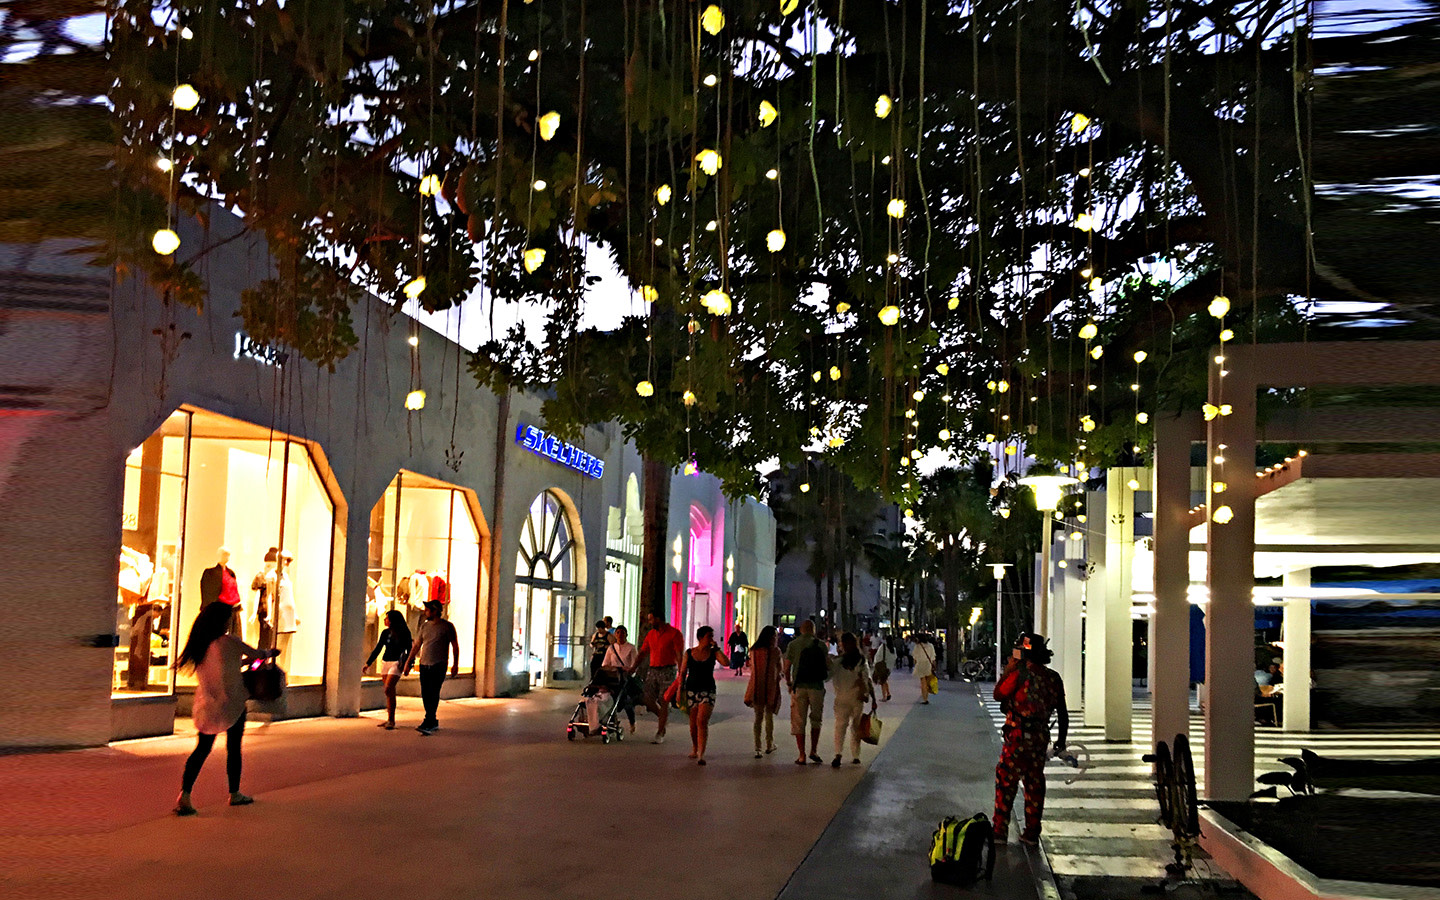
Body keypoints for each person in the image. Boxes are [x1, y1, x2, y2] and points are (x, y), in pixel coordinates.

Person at [172, 601, 275, 815]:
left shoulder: (200, 645)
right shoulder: (230, 642)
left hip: (207, 704)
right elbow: (257, 655)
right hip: (233, 702)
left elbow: (221, 665)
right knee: (233, 748)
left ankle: (186, 794)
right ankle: (235, 793)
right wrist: (268, 653)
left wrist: (242, 664)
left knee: (202, 750)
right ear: (223, 621)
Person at [993, 632, 1069, 846]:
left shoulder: (1019, 674)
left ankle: (999, 831)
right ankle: (1031, 833)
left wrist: (1009, 669)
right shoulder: (1053, 678)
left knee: (1006, 780)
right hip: (1039, 739)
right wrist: (1060, 742)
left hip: (1016, 738)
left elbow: (998, 694)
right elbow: (1062, 713)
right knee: (1034, 782)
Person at [403, 600, 459, 735]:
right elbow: (417, 645)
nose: (425, 612)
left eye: (427, 610)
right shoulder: (424, 626)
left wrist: (455, 664)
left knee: (433, 692)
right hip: (424, 664)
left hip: (438, 664)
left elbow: (454, 645)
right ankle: (431, 719)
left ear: (435, 611)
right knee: (425, 693)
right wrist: (408, 662)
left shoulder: (447, 626)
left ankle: (429, 719)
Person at [677, 626, 729, 765]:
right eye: (709, 636)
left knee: (702, 721)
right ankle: (695, 747)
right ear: (700, 638)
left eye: (712, 636)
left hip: (708, 690)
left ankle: (701, 754)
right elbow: (682, 673)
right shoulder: (689, 652)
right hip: (691, 689)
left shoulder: (713, 653)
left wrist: (717, 648)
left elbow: (726, 662)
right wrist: (679, 690)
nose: (711, 639)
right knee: (693, 723)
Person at [783, 619, 830, 764]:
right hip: (816, 686)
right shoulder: (821, 645)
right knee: (816, 720)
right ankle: (813, 750)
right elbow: (827, 666)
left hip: (800, 686)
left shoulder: (793, 645)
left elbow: (786, 668)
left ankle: (802, 754)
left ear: (801, 630)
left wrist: (789, 682)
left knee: (799, 720)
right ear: (813, 630)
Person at [637, 611, 685, 744]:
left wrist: (681, 673)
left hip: (667, 670)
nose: (650, 622)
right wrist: (633, 667)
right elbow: (643, 652)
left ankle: (660, 731)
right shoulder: (651, 634)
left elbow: (679, 654)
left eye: (651, 619)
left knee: (664, 700)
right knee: (646, 698)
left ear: (659, 619)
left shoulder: (674, 634)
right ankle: (662, 718)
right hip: (653, 670)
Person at [831, 632, 877, 768]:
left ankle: (838, 754)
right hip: (857, 698)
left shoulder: (838, 662)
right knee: (856, 727)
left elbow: (828, 676)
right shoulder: (861, 660)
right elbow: (868, 680)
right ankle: (856, 755)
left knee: (840, 726)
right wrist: (873, 699)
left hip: (841, 698)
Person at [364, 609, 413, 730]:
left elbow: (410, 649)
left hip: (397, 663)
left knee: (388, 688)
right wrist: (368, 663)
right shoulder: (385, 633)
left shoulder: (404, 633)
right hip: (386, 661)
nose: (385, 620)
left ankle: (391, 719)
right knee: (389, 692)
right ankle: (390, 719)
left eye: (387, 618)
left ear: (392, 620)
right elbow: (378, 648)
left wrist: (408, 665)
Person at [744, 626, 783, 758]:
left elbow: (751, 667)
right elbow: (780, 669)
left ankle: (757, 747)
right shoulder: (776, 651)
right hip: (770, 687)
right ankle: (769, 744)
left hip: (756, 687)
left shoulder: (754, 650)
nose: (776, 638)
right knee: (769, 717)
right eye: (775, 636)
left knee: (758, 718)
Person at [601, 624, 640, 734]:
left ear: (626, 634)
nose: (620, 635)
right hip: (612, 677)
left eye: (622, 633)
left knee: (625, 700)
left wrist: (626, 670)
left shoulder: (631, 648)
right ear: (615, 634)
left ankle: (632, 722)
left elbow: (634, 665)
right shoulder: (611, 648)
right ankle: (613, 720)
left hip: (625, 678)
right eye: (618, 632)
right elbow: (605, 663)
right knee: (610, 698)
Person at [914, 633, 937, 704]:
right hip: (928, 665)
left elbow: (914, 658)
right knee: (927, 681)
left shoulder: (917, 646)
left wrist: (915, 664)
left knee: (923, 682)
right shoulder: (931, 646)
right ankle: (926, 697)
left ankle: (924, 698)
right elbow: (933, 657)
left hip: (920, 665)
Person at [872, 633, 894, 702]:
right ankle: (888, 693)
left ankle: (884, 696)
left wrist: (875, 664)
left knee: (882, 681)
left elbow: (878, 656)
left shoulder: (883, 647)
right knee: (885, 680)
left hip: (882, 666)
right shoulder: (893, 648)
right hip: (889, 667)